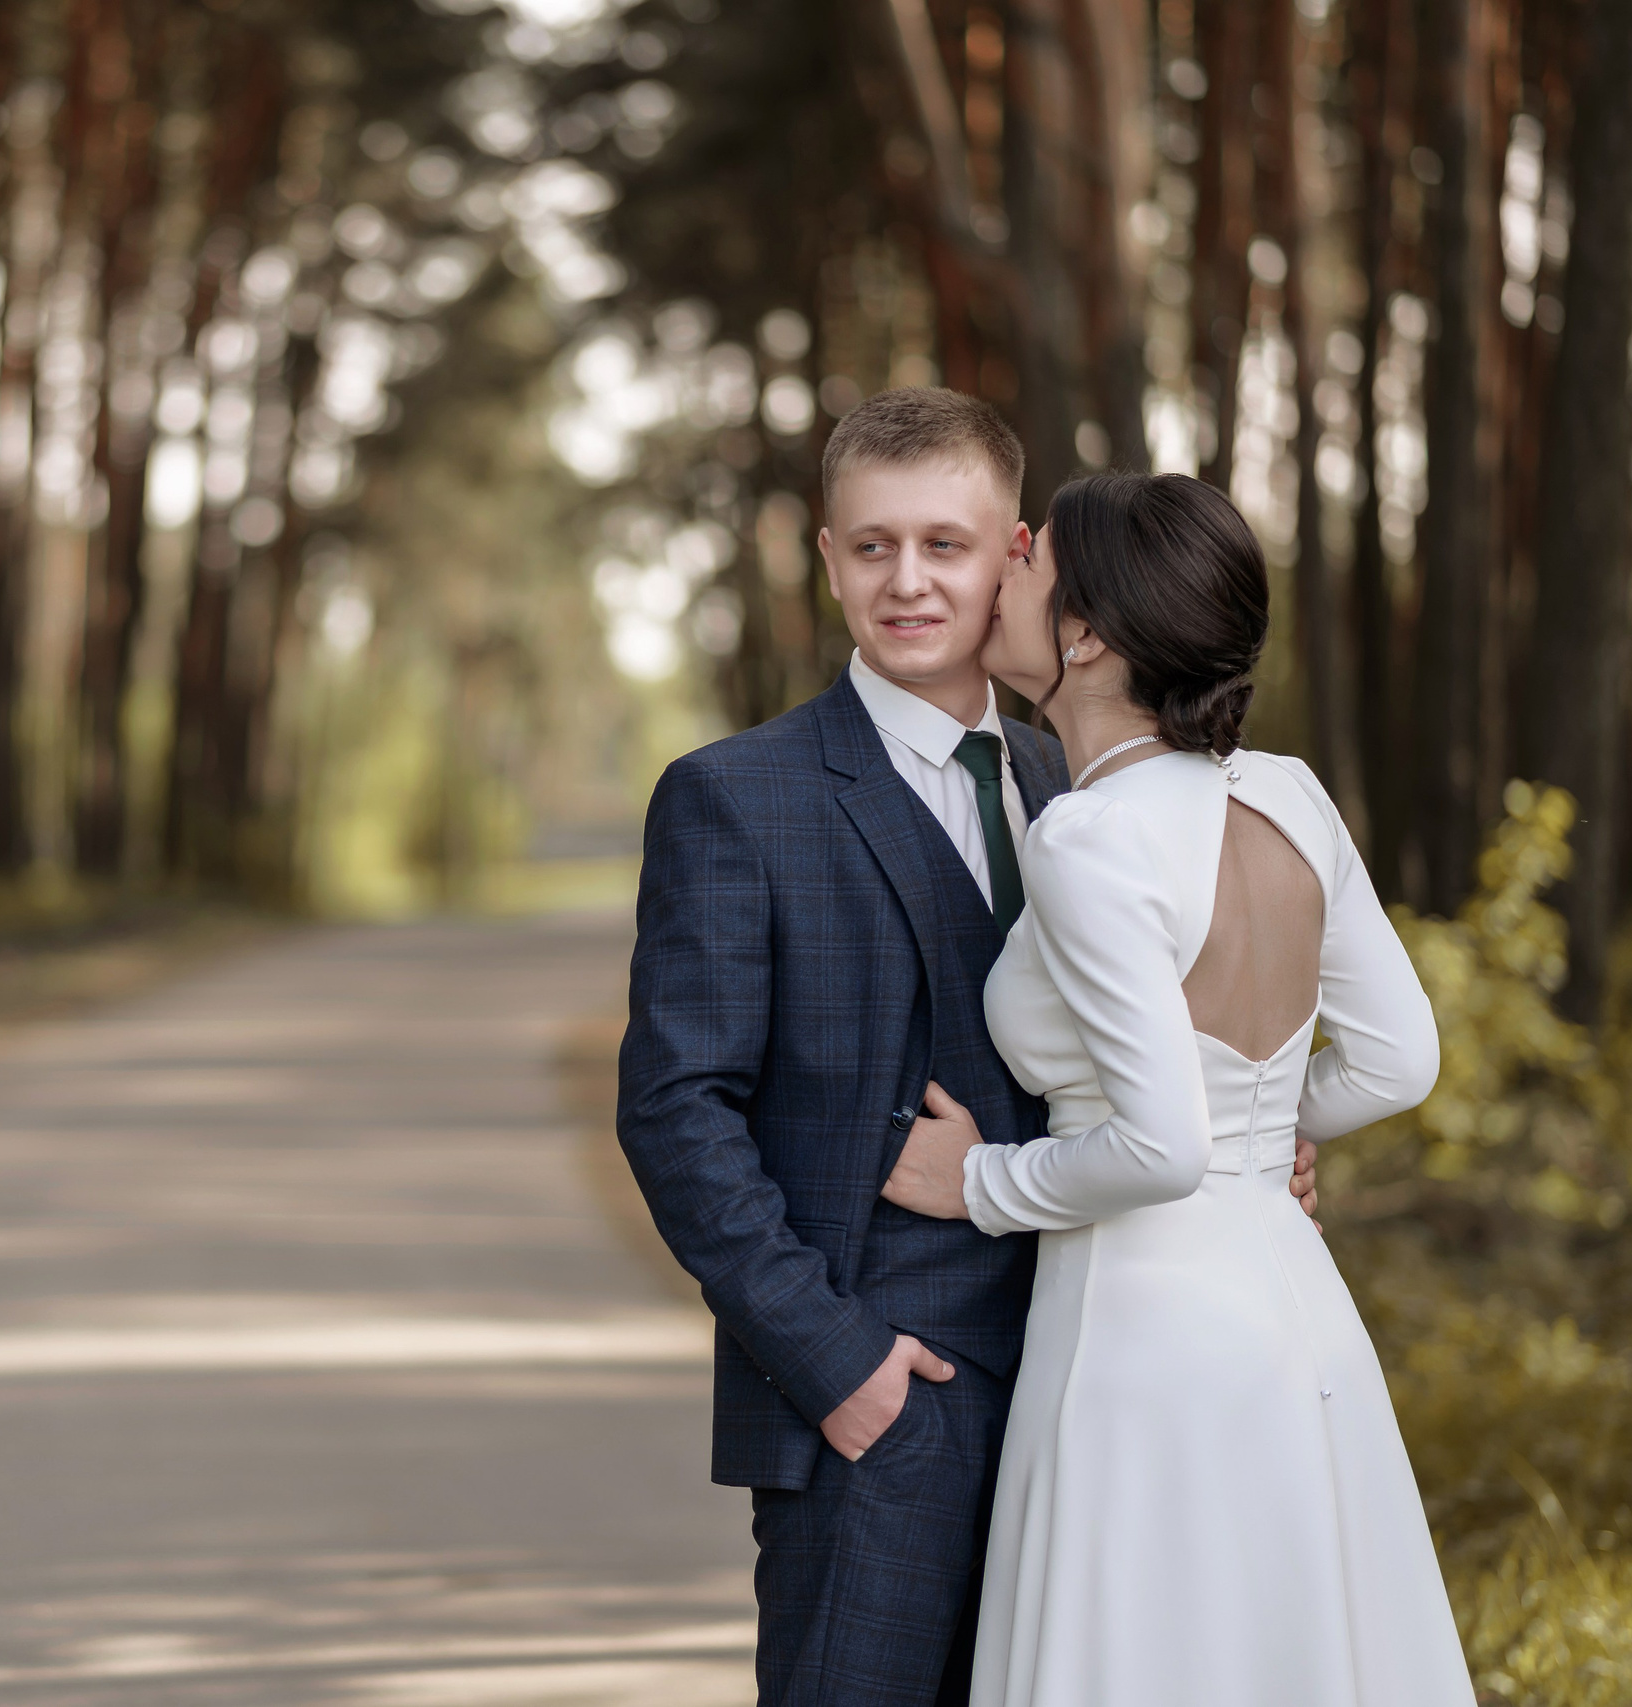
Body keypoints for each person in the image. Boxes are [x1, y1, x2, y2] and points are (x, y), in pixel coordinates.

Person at [616, 391, 1321, 1705]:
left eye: (946, 543)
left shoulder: (1081, 783)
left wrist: (1259, 1140)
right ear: (826, 558)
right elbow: (675, 1108)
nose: (908, 580)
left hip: (1098, 1392)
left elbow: (1159, 1055)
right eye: (871, 545)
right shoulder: (737, 796)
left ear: (1017, 554)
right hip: (881, 1414)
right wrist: (836, 1364)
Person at [880, 470, 1475, 1705]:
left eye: (1033, 558)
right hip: (1292, 1310)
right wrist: (1271, 1137)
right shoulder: (1290, 794)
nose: (1008, 565)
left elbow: (1157, 1149)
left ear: (1088, 632)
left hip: (1138, 1328)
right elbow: (1397, 1057)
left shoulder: (1090, 835)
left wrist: (977, 1180)